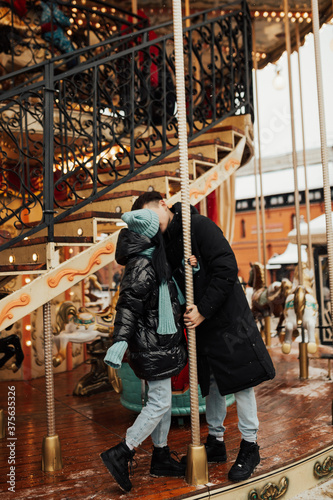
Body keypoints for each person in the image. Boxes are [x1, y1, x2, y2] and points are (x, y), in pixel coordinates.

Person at [131, 191, 276, 483]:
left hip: (226, 320)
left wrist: (203, 309)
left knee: (242, 383)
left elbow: (226, 268)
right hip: (203, 324)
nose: (151, 222)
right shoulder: (165, 242)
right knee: (211, 384)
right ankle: (216, 441)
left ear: (163, 203)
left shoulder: (199, 226)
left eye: (151, 214)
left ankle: (250, 445)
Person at [100, 208, 188, 492]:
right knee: (160, 402)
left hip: (157, 342)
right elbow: (129, 304)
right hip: (151, 343)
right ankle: (123, 451)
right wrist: (120, 340)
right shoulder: (142, 263)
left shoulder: (151, 258)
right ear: (150, 233)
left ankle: (160, 456)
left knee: (159, 400)